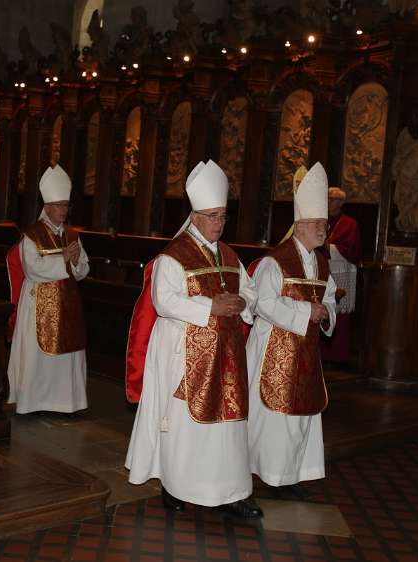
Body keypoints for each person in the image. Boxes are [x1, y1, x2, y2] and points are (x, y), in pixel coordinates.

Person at [125, 160, 261, 518]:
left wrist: (245, 301)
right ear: (196, 215)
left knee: (228, 424)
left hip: (227, 354)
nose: (218, 223)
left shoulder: (230, 255)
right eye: (212, 216)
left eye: (222, 217)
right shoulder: (174, 256)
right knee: (185, 421)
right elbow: (163, 301)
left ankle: (232, 491)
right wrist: (210, 306)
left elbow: (250, 289)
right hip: (183, 351)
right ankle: (177, 486)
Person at [245, 163, 337, 499]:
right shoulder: (275, 262)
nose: (323, 230)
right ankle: (272, 473)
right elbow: (262, 304)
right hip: (275, 348)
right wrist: (305, 311)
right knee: (275, 417)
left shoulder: (322, 263)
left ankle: (293, 473)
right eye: (317, 224)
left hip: (306, 351)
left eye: (325, 224)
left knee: (303, 415)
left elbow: (329, 298)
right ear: (299, 225)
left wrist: (326, 313)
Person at [7, 165, 89, 415]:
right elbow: (32, 269)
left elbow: (84, 268)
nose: (64, 210)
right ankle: (35, 402)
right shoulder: (31, 235)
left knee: (68, 354)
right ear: (48, 206)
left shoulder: (73, 234)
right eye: (60, 205)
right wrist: (63, 258)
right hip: (38, 303)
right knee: (38, 355)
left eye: (66, 205)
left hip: (67, 302)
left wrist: (75, 262)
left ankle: (66, 403)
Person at [321, 187, 362, 366]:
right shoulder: (320, 220)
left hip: (341, 271)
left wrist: (329, 247)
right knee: (322, 308)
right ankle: (321, 353)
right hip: (323, 269)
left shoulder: (349, 224)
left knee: (340, 313)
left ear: (341, 202)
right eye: (328, 199)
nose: (329, 202)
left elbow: (352, 250)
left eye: (333, 199)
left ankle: (337, 356)